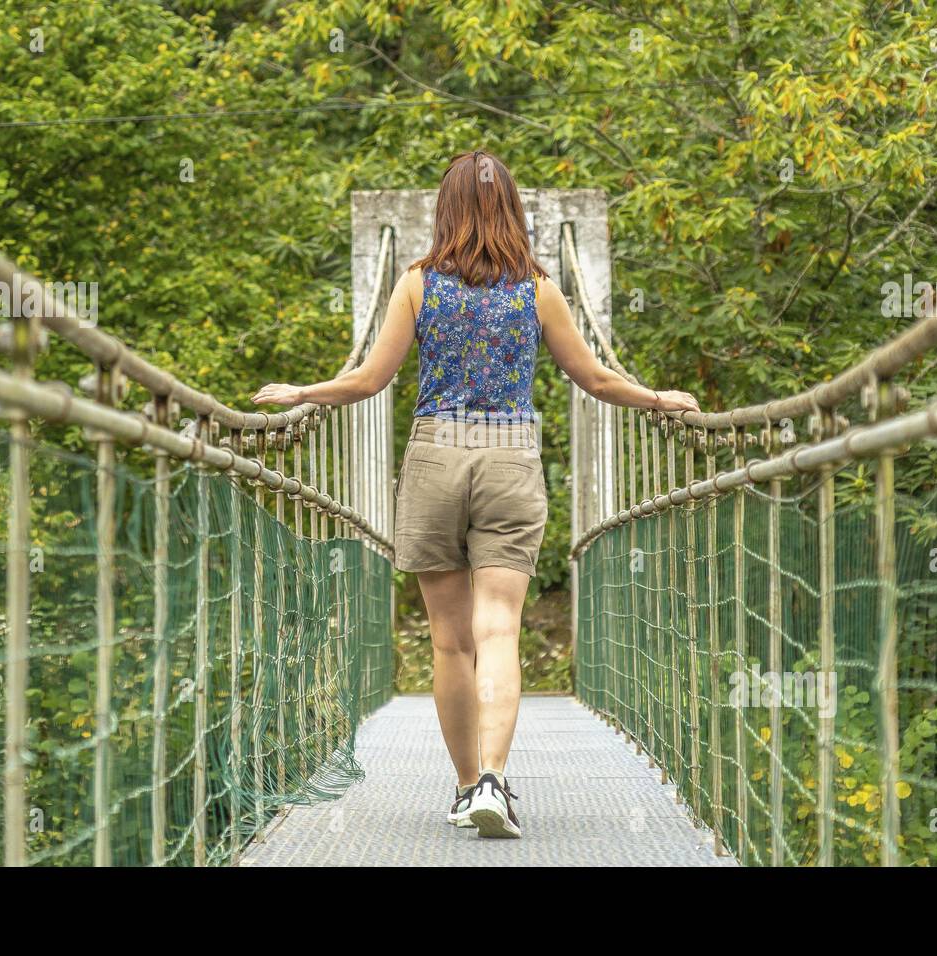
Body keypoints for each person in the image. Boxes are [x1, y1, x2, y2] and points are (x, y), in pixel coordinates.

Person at [251, 149, 700, 839]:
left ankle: (465, 788)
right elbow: (597, 381)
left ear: (447, 209)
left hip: (435, 457)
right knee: (499, 631)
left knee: (450, 642)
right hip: (511, 457)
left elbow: (371, 380)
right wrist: (659, 399)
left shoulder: (415, 284)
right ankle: (493, 778)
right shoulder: (540, 288)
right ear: (511, 207)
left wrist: (303, 392)